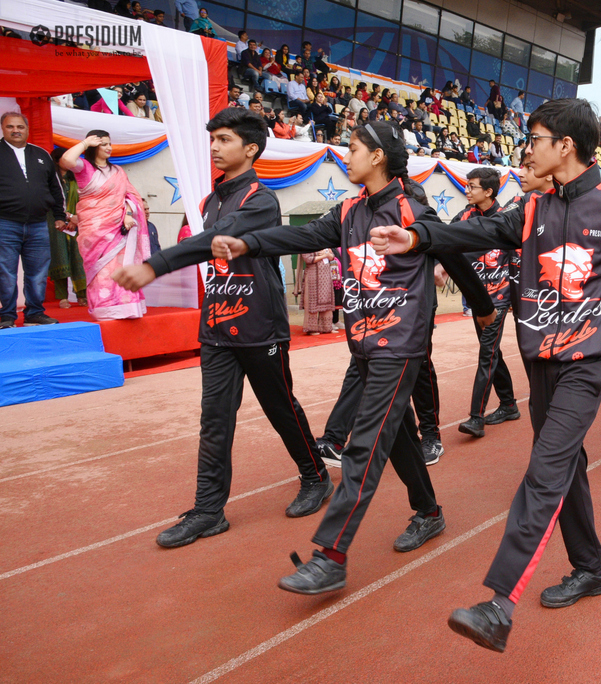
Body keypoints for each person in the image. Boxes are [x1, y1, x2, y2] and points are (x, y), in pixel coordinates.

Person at [366, 98, 601, 653]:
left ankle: (500, 601)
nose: (527, 148)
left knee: (546, 466)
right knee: (566, 465)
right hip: (540, 363)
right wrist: (417, 238)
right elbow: (478, 233)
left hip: (587, 363)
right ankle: (591, 567)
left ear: (565, 146)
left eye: (535, 138)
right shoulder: (533, 210)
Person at [207, 120, 495, 594]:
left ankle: (331, 554)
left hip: (400, 346)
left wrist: (483, 310)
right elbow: (300, 238)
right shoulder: (348, 211)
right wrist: (249, 243)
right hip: (362, 344)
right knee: (397, 434)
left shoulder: (411, 207)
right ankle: (429, 512)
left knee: (363, 445)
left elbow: (455, 253)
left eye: (355, 148)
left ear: (378, 156)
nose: (347, 155)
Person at [111, 108, 333, 547]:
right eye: (212, 139)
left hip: (259, 326)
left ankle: (316, 476)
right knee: (214, 420)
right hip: (216, 326)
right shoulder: (212, 199)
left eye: (224, 139)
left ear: (250, 149)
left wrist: (154, 266)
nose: (214, 146)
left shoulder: (260, 200)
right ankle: (209, 511)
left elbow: (210, 242)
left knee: (279, 407)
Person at [443, 168, 520, 439]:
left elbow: (516, 259)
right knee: (491, 352)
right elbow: (445, 242)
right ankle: (509, 404)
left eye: (472, 187)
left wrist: (515, 298)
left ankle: (476, 417)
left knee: (486, 354)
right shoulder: (463, 216)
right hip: (477, 299)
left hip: (498, 299)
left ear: (488, 191)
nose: (467, 191)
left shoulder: (508, 218)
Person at [57, 131, 149, 321]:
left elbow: (130, 197)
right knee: (101, 271)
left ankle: (126, 307)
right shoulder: (85, 168)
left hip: (119, 228)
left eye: (109, 144)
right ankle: (106, 310)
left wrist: (128, 215)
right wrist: (85, 142)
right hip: (94, 231)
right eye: (103, 144)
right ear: (93, 147)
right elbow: (66, 160)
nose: (109, 148)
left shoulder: (118, 171)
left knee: (122, 266)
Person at [1, 112, 68, 329]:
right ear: (3, 129)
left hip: (39, 224)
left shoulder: (41, 154)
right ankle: (7, 316)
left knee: (38, 272)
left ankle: (35, 314)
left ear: (27, 129)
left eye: (20, 127)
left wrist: (59, 215)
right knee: (5, 272)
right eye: (10, 127)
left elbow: (55, 188)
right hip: (5, 223)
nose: (16, 130)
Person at [46, 149, 88, 309]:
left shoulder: (77, 178)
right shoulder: (50, 180)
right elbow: (49, 201)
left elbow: (84, 200)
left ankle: (82, 295)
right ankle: (62, 297)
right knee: (60, 258)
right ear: (57, 161)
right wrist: (67, 217)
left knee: (79, 259)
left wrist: (76, 218)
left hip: (77, 225)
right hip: (56, 223)